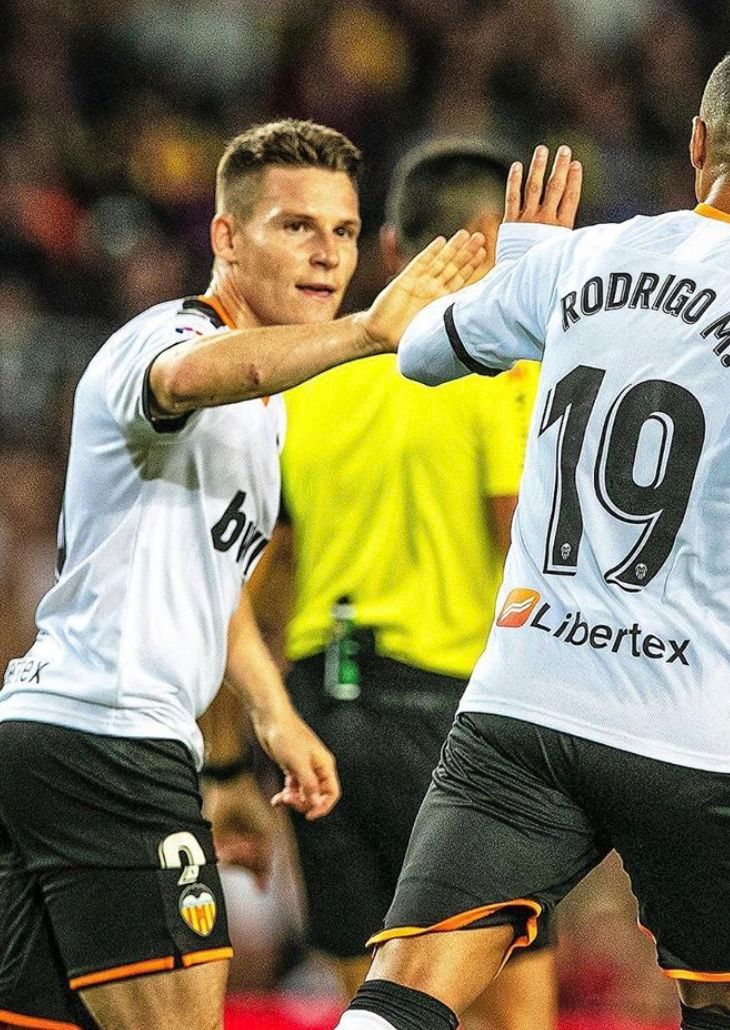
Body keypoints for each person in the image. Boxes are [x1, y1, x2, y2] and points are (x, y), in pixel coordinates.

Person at [335, 34, 730, 1030]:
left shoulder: (585, 254)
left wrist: (527, 281)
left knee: (408, 987)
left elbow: (417, 353)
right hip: (694, 726)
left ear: (698, 139)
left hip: (526, 700)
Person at [0, 119, 485, 1030]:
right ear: (226, 237)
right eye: (294, 226)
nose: (326, 255)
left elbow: (213, 595)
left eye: (343, 232)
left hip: (54, 738)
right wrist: (367, 334)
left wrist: (269, 720)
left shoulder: (266, 410)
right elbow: (186, 378)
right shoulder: (175, 337)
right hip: (110, 743)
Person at [248, 139, 554, 1027]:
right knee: (511, 1014)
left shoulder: (307, 376)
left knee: (372, 1008)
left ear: (392, 248)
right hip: (451, 732)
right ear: (498, 252)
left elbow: (264, 574)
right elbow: (523, 547)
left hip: (320, 724)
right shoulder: (501, 372)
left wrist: (241, 741)